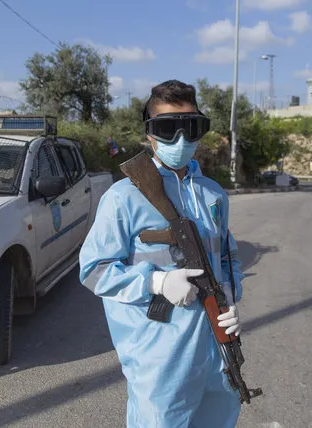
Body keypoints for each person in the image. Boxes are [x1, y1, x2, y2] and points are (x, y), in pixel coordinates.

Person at [78, 79, 245, 428]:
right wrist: (156, 282)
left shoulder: (214, 194)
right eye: (168, 129)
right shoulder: (124, 197)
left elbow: (227, 257)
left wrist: (231, 294)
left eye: (191, 128)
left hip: (216, 348)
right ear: (149, 134)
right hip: (159, 356)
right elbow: (93, 269)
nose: (181, 141)